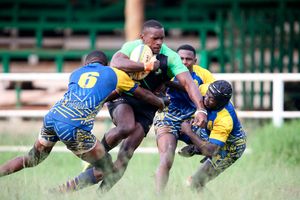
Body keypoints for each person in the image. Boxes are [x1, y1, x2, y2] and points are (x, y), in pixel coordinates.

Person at [0, 50, 168, 193]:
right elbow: (143, 94)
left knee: (31, 159)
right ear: (106, 63)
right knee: (106, 168)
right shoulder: (114, 73)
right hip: (74, 126)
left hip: (53, 117)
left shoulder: (76, 73)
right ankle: (58, 193)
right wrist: (160, 103)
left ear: (87, 63)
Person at [97, 19, 209, 192]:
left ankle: (100, 194)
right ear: (142, 37)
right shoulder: (131, 46)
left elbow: (189, 83)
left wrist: (200, 108)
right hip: (124, 97)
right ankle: (96, 154)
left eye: (162, 38)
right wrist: (146, 66)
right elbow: (116, 63)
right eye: (155, 38)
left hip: (148, 106)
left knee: (126, 153)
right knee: (125, 127)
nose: (159, 42)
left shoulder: (170, 57)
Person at [154, 44, 215, 194]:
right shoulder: (167, 71)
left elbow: (213, 96)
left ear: (195, 60)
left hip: (193, 117)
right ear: (176, 58)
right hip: (168, 117)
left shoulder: (204, 74)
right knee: (167, 157)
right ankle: (157, 195)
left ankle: (197, 182)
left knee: (215, 151)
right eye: (181, 58)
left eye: (188, 59)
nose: (185, 61)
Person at [179, 80, 247, 192]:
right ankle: (196, 148)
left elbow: (211, 151)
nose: (206, 99)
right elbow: (189, 87)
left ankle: (197, 149)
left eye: (211, 99)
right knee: (178, 125)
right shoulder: (208, 90)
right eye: (207, 95)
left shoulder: (225, 119)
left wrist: (189, 132)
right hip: (211, 133)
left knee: (196, 184)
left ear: (222, 102)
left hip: (230, 148)